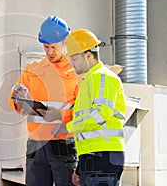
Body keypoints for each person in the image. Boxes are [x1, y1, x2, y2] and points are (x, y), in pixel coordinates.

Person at [42, 29, 126, 186]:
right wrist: (81, 167)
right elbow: (86, 123)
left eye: (74, 59)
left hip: (103, 156)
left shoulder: (102, 77)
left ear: (88, 55)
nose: (72, 64)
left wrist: (66, 128)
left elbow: (100, 115)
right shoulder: (90, 80)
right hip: (93, 156)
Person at [8, 15, 79, 186]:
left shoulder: (77, 72)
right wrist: (19, 100)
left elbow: (81, 111)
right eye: (46, 47)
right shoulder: (32, 70)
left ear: (65, 42)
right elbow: (14, 101)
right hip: (35, 145)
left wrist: (57, 115)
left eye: (53, 47)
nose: (49, 52)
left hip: (64, 143)